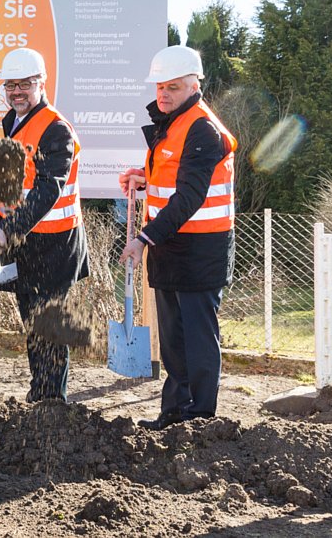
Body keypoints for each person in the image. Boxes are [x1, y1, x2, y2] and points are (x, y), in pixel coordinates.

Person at [118, 45, 237, 430]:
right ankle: (174, 413)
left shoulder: (202, 128)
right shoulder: (173, 123)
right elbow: (172, 180)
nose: (163, 94)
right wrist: (144, 177)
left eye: (173, 87)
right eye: (159, 87)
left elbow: (190, 195)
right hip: (171, 246)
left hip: (201, 248)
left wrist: (143, 238)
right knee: (173, 336)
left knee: (197, 336)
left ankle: (200, 418)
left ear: (193, 85)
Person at [0, 48, 89, 403]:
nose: (17, 92)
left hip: (56, 247)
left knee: (48, 327)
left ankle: (49, 402)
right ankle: (41, 394)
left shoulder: (55, 129)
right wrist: (0, 217)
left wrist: (10, 227)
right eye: (10, 85)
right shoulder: (12, 123)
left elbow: (49, 188)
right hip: (28, 244)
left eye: (25, 84)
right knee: (34, 325)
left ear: (41, 83)